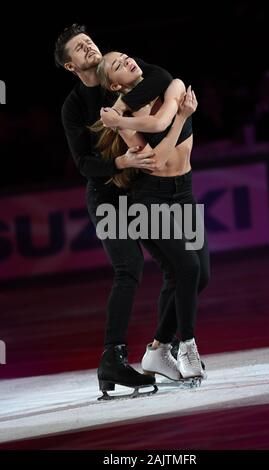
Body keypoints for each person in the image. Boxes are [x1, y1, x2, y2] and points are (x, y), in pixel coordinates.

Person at [54, 24, 178, 397]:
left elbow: (161, 76)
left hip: (141, 189)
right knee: (129, 268)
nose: (88, 46)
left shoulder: (120, 71)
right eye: (79, 47)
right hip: (107, 195)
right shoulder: (74, 106)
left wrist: (125, 108)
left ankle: (162, 348)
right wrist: (122, 162)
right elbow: (84, 164)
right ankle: (113, 357)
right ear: (71, 66)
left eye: (88, 40)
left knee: (180, 265)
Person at [94, 51, 211, 381]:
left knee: (199, 276)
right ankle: (186, 345)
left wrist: (121, 120)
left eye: (126, 57)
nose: (128, 61)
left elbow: (160, 125)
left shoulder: (172, 85)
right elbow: (156, 161)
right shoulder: (128, 116)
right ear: (116, 84)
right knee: (186, 267)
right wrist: (179, 119)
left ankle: (158, 350)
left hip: (184, 192)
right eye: (118, 65)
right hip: (150, 199)